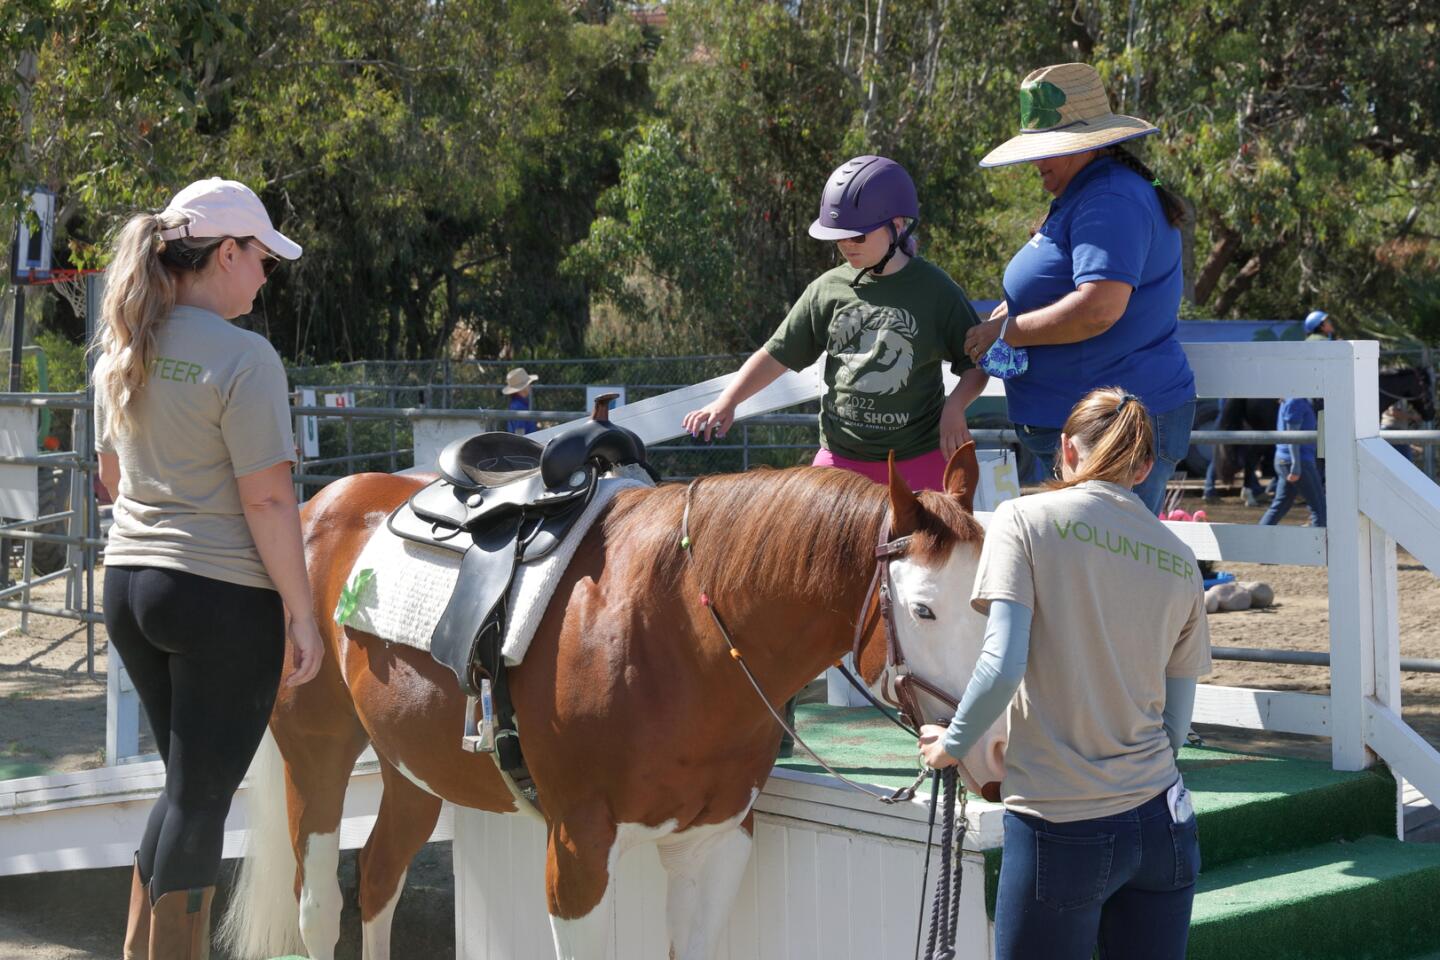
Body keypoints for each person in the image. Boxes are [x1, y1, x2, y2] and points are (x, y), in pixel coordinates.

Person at [93, 177, 323, 959]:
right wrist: (301, 611)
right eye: (261, 258)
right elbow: (267, 502)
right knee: (201, 801)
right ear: (226, 253)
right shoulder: (247, 359)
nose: (265, 277)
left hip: (127, 587)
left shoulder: (126, 343)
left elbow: (112, 482)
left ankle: (138, 949)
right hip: (217, 597)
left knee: (184, 790)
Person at [918, 386, 1210, 960]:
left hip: (1060, 825)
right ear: (1146, 465)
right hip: (1163, 824)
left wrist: (951, 744)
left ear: (1066, 451)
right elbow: (1175, 727)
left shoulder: (1024, 520)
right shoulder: (1179, 558)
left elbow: (1002, 666)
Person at [963, 63, 1196, 515]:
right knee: (1093, 571)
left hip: (1110, 429)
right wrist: (1009, 313)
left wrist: (1008, 331)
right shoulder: (1091, 192)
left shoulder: (1109, 198)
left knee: (1105, 572)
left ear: (1081, 145)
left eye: (1046, 148)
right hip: (1096, 425)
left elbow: (1099, 308)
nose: (1035, 161)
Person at [681, 155, 988, 493]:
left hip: (918, 460)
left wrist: (955, 408)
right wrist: (727, 401)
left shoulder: (937, 291)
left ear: (898, 225)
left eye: (857, 236)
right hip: (840, 463)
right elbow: (776, 355)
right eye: (838, 237)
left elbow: (976, 363)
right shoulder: (826, 289)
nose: (845, 245)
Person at [1259, 395, 1326, 527]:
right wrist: (1296, 465)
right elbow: (1292, 436)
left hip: (1288, 460)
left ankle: (1258, 537)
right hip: (1298, 461)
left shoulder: (1294, 400)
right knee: (1320, 509)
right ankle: (1319, 546)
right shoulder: (1296, 401)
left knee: (1280, 505)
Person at [503, 366, 539, 434]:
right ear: (522, 388)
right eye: (528, 384)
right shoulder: (518, 407)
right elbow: (520, 432)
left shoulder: (519, 403)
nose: (530, 386)